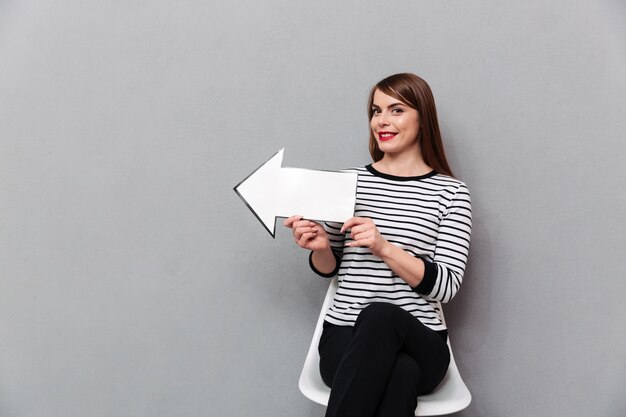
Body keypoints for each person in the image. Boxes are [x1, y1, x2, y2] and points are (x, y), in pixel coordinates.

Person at [284, 73, 472, 417]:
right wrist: (321, 247)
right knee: (401, 374)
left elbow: (445, 287)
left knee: (380, 315)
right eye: (376, 111)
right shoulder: (347, 182)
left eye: (396, 110)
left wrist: (384, 247)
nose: (382, 121)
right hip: (346, 337)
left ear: (422, 118)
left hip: (421, 339)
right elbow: (331, 268)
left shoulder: (451, 193)